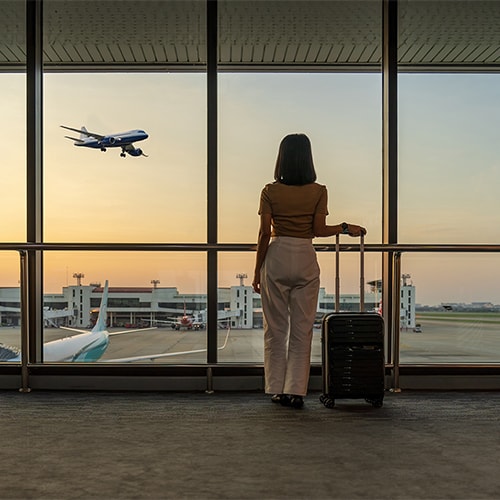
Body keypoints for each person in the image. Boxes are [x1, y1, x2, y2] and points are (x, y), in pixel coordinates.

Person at [252, 133, 366, 409]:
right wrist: (345, 228)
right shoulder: (318, 191)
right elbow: (318, 231)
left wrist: (257, 271)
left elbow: (264, 234)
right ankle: (296, 391)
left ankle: (276, 389)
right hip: (304, 255)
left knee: (275, 329)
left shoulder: (269, 191)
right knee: (302, 330)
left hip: (277, 256)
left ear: (281, 158)